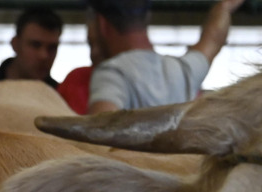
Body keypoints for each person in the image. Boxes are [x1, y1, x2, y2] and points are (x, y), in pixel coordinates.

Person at [86, 0, 244, 113]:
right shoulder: (181, 71)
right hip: (179, 161)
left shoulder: (112, 73)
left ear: (102, 24)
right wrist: (224, 7)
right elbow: (213, 39)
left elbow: (100, 139)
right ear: (147, 18)